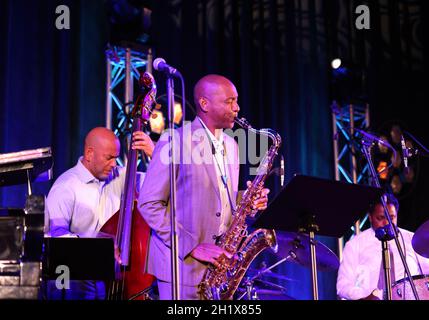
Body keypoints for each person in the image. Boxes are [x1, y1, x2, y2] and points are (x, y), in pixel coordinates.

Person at [138, 74, 270, 300]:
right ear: (204, 103)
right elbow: (149, 203)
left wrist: (246, 200)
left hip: (218, 268)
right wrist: (192, 246)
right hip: (181, 266)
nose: (237, 108)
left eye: (236, 100)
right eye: (230, 101)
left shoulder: (232, 145)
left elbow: (217, 197)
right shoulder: (174, 141)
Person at [44, 127, 154, 299]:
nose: (114, 164)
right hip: (78, 276)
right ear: (89, 154)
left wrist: (154, 153)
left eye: (116, 158)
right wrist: (97, 246)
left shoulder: (122, 176)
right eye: (109, 158)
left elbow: (164, 184)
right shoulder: (65, 186)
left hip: (116, 278)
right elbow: (54, 237)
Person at [336, 193, 429, 300]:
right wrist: (365, 297)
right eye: (380, 218)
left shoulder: (412, 239)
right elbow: (343, 286)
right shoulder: (355, 244)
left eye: (392, 217)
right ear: (370, 217)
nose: (386, 223)